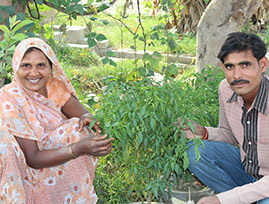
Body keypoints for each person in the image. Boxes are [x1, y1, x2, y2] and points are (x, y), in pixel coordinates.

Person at [0, 38, 114, 203]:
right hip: (25, 171)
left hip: (56, 161)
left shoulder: (53, 86)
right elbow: (33, 158)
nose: (34, 73)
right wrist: (78, 148)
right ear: (16, 67)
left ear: (50, 67)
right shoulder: (8, 99)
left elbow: (84, 116)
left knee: (78, 127)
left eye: (41, 65)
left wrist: (91, 124)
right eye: (26, 66)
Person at [180, 32, 269, 204]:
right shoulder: (227, 89)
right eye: (230, 67)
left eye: (245, 65)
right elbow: (228, 134)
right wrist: (203, 132)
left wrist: (221, 199)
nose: (237, 75)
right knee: (195, 151)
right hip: (246, 172)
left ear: (262, 64)